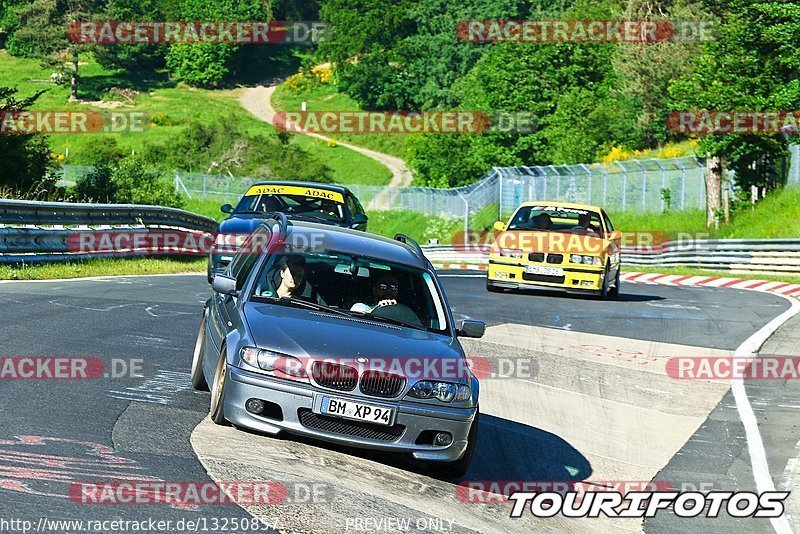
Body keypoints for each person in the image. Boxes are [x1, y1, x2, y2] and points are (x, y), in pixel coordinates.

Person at [350, 274, 423, 327]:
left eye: (393, 287)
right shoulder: (363, 307)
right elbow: (354, 316)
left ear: (398, 291)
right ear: (375, 290)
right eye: (383, 286)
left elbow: (419, 330)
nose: (388, 290)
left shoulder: (407, 312)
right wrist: (377, 309)